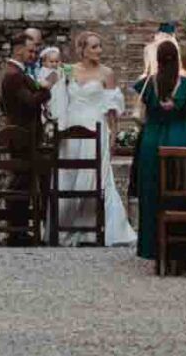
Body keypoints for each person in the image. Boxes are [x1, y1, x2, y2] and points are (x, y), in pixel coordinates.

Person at [50, 30, 133, 245]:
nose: (99, 50)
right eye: (94, 46)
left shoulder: (107, 73)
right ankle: (66, 226)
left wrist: (114, 134)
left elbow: (112, 108)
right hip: (71, 129)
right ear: (82, 50)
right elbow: (57, 98)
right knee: (70, 175)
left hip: (98, 127)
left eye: (100, 46)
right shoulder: (69, 71)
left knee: (99, 177)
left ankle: (99, 227)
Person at [133, 34, 186, 261]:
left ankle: (151, 246)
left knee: (152, 192)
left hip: (152, 140)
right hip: (179, 139)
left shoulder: (147, 83)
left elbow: (139, 117)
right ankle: (179, 248)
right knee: (180, 193)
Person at [0, 28, 52, 242]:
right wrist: (47, 89)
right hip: (23, 136)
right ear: (19, 50)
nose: (34, 55)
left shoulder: (17, 74)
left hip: (24, 134)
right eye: (30, 51)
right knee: (20, 183)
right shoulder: (14, 75)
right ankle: (17, 231)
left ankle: (19, 229)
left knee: (22, 181)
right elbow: (30, 102)